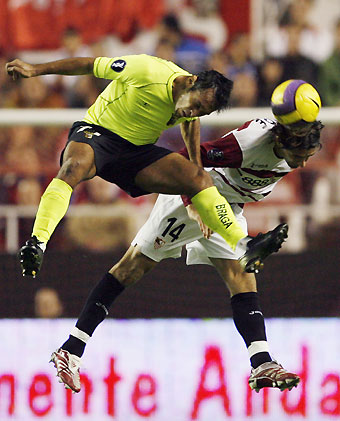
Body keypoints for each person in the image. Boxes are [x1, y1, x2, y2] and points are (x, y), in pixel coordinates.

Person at [49, 81, 324, 394]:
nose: (301, 163)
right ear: (283, 139)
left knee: (242, 275)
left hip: (228, 206)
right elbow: (182, 161)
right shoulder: (248, 143)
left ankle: (261, 363)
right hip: (195, 195)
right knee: (133, 267)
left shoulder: (300, 138)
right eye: (298, 156)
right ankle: (71, 349)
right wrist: (194, 203)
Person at [6, 54, 286, 279]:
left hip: (134, 153)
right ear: (191, 81)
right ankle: (37, 242)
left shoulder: (190, 107)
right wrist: (35, 69)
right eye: (196, 105)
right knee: (72, 168)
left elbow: (191, 128)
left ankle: (245, 246)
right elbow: (89, 65)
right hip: (98, 134)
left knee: (201, 180)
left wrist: (194, 187)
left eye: (202, 112)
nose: (193, 113)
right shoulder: (147, 71)